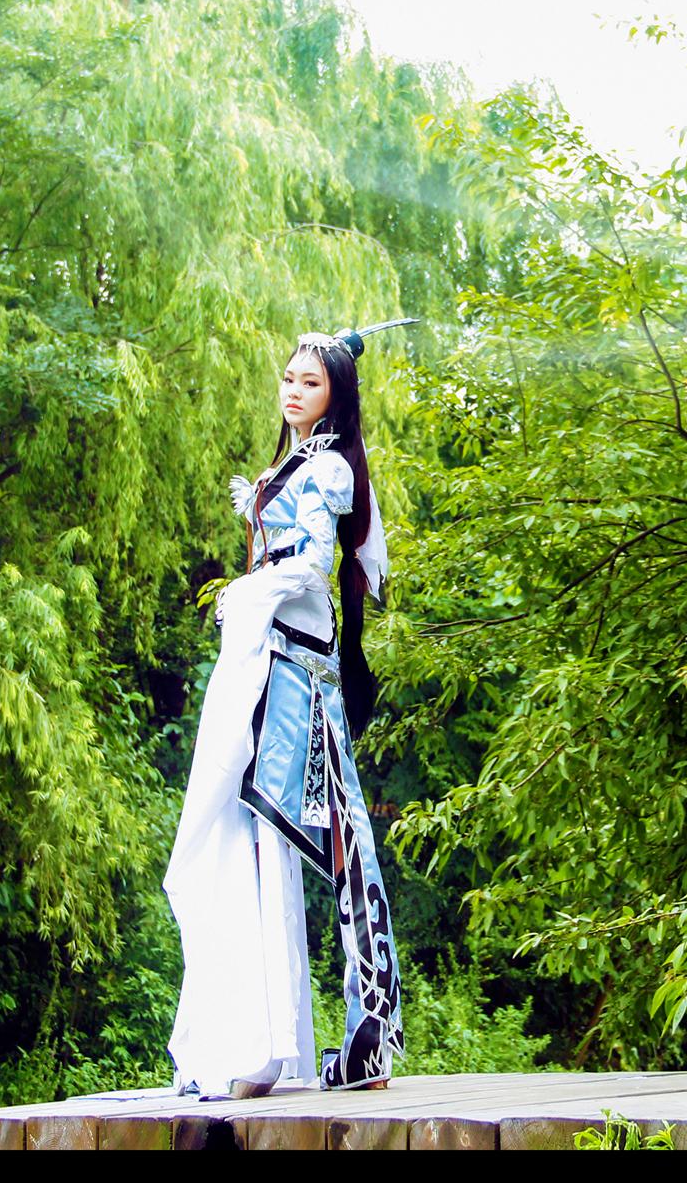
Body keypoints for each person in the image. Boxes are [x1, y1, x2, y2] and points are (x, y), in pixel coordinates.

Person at [163, 322, 414, 1099]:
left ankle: (364, 1037)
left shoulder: (330, 468)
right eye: (289, 377)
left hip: (299, 669)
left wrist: (248, 594)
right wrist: (251, 602)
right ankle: (250, 1038)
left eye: (311, 380)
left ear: (336, 395)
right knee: (251, 827)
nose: (294, 390)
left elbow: (310, 567)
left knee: (338, 841)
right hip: (265, 659)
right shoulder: (292, 464)